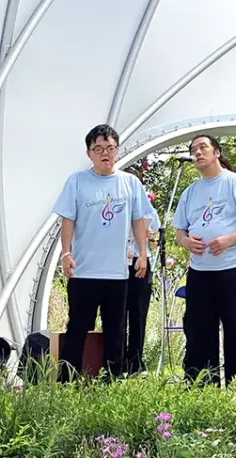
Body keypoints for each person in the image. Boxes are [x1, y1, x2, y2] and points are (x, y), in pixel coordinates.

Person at [52, 124, 151, 382]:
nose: (104, 153)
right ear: (89, 153)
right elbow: (68, 219)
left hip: (117, 272)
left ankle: (112, 379)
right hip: (84, 270)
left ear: (117, 150)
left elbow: (138, 220)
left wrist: (142, 253)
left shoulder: (130, 183)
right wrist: (66, 253)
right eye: (98, 149)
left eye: (110, 148)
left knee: (116, 330)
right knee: (77, 327)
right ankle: (67, 380)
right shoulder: (77, 181)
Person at [173, 134, 236, 394]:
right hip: (200, 272)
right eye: (193, 149)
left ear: (217, 152)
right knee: (199, 331)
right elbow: (179, 231)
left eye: (203, 147)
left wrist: (228, 240)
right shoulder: (190, 192)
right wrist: (187, 242)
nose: (197, 153)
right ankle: (203, 390)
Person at [124, 193, 160, 376]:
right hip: (118, 261)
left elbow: (154, 241)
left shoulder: (149, 210)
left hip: (140, 261)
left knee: (138, 313)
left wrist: (150, 235)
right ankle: (115, 359)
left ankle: (135, 360)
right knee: (117, 313)